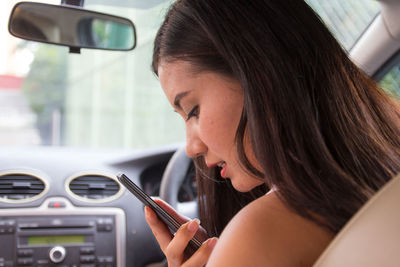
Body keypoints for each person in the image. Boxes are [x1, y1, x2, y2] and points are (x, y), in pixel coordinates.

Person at [145, 0, 400, 266]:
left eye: (193, 110)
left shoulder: (257, 235)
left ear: (260, 76)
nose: (191, 147)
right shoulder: (385, 162)